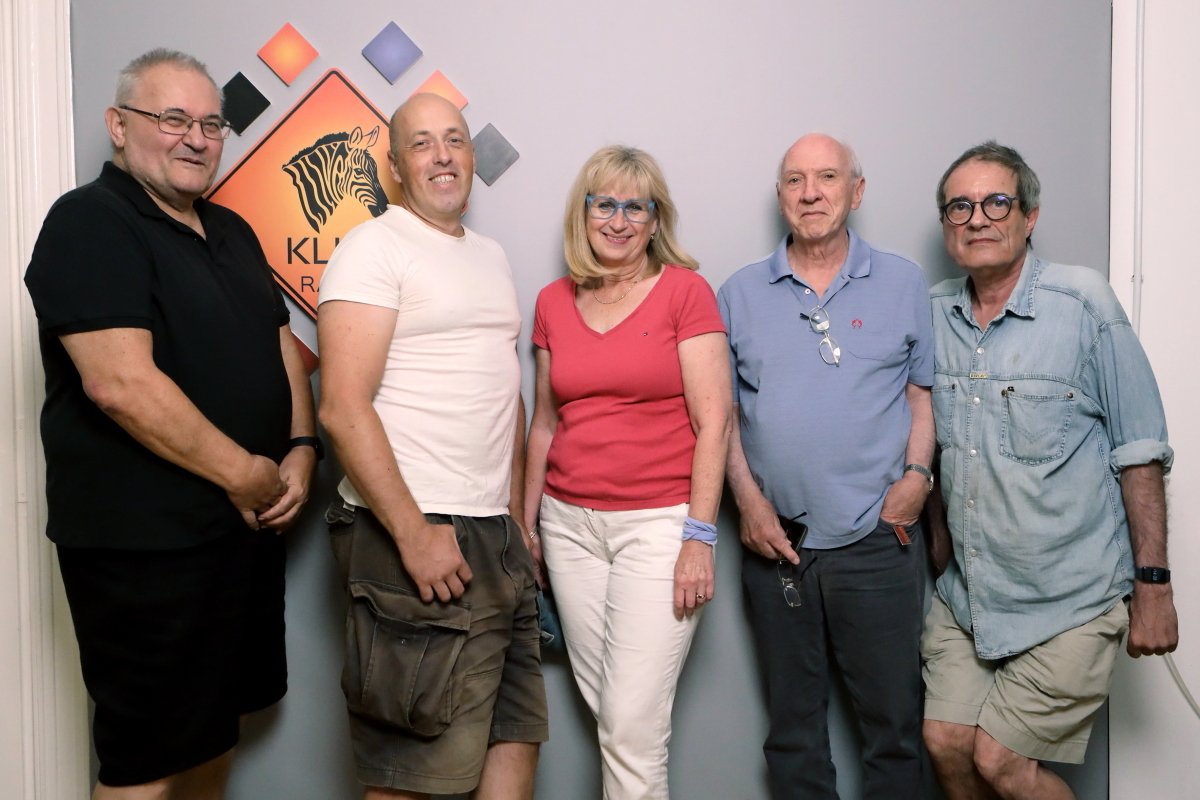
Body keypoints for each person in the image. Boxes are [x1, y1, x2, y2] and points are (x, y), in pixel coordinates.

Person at [22, 49, 317, 798]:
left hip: (240, 538)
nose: (196, 137)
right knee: (147, 756)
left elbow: (281, 344)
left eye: (211, 124)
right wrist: (245, 473)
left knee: (216, 727)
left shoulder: (233, 230)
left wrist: (301, 447)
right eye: (173, 118)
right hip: (145, 548)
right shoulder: (90, 222)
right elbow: (118, 383)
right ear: (119, 126)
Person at [921, 141, 1179, 800]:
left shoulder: (1084, 303)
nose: (977, 219)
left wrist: (1153, 588)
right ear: (947, 226)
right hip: (971, 597)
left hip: (1070, 597)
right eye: (959, 207)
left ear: (1029, 216)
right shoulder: (932, 313)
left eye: (996, 202)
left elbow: (1140, 449)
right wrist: (938, 537)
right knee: (946, 742)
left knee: (1001, 761)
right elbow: (929, 443)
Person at [317, 92, 546, 800]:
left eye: (454, 139)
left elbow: (503, 392)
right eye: (421, 143)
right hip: (413, 531)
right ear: (394, 166)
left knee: (513, 742)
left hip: (494, 535)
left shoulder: (490, 255)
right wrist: (414, 533)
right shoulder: (372, 248)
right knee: (413, 776)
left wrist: (515, 519)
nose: (442, 155)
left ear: (472, 155)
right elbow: (341, 407)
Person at [718, 133, 935, 800]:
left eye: (827, 177)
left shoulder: (902, 281)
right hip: (776, 543)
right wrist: (749, 506)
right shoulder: (739, 292)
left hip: (880, 540)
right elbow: (722, 417)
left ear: (856, 191)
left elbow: (919, 395)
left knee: (895, 730)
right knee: (793, 733)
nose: (810, 193)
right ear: (780, 195)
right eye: (795, 180)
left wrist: (916, 480)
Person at [523, 145, 731, 800]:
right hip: (568, 529)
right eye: (605, 204)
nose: (618, 220)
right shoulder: (552, 301)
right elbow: (544, 423)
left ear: (655, 219)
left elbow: (715, 423)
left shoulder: (685, 293)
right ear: (582, 213)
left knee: (630, 727)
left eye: (635, 207)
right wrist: (526, 526)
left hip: (659, 527)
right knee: (614, 718)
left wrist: (699, 536)